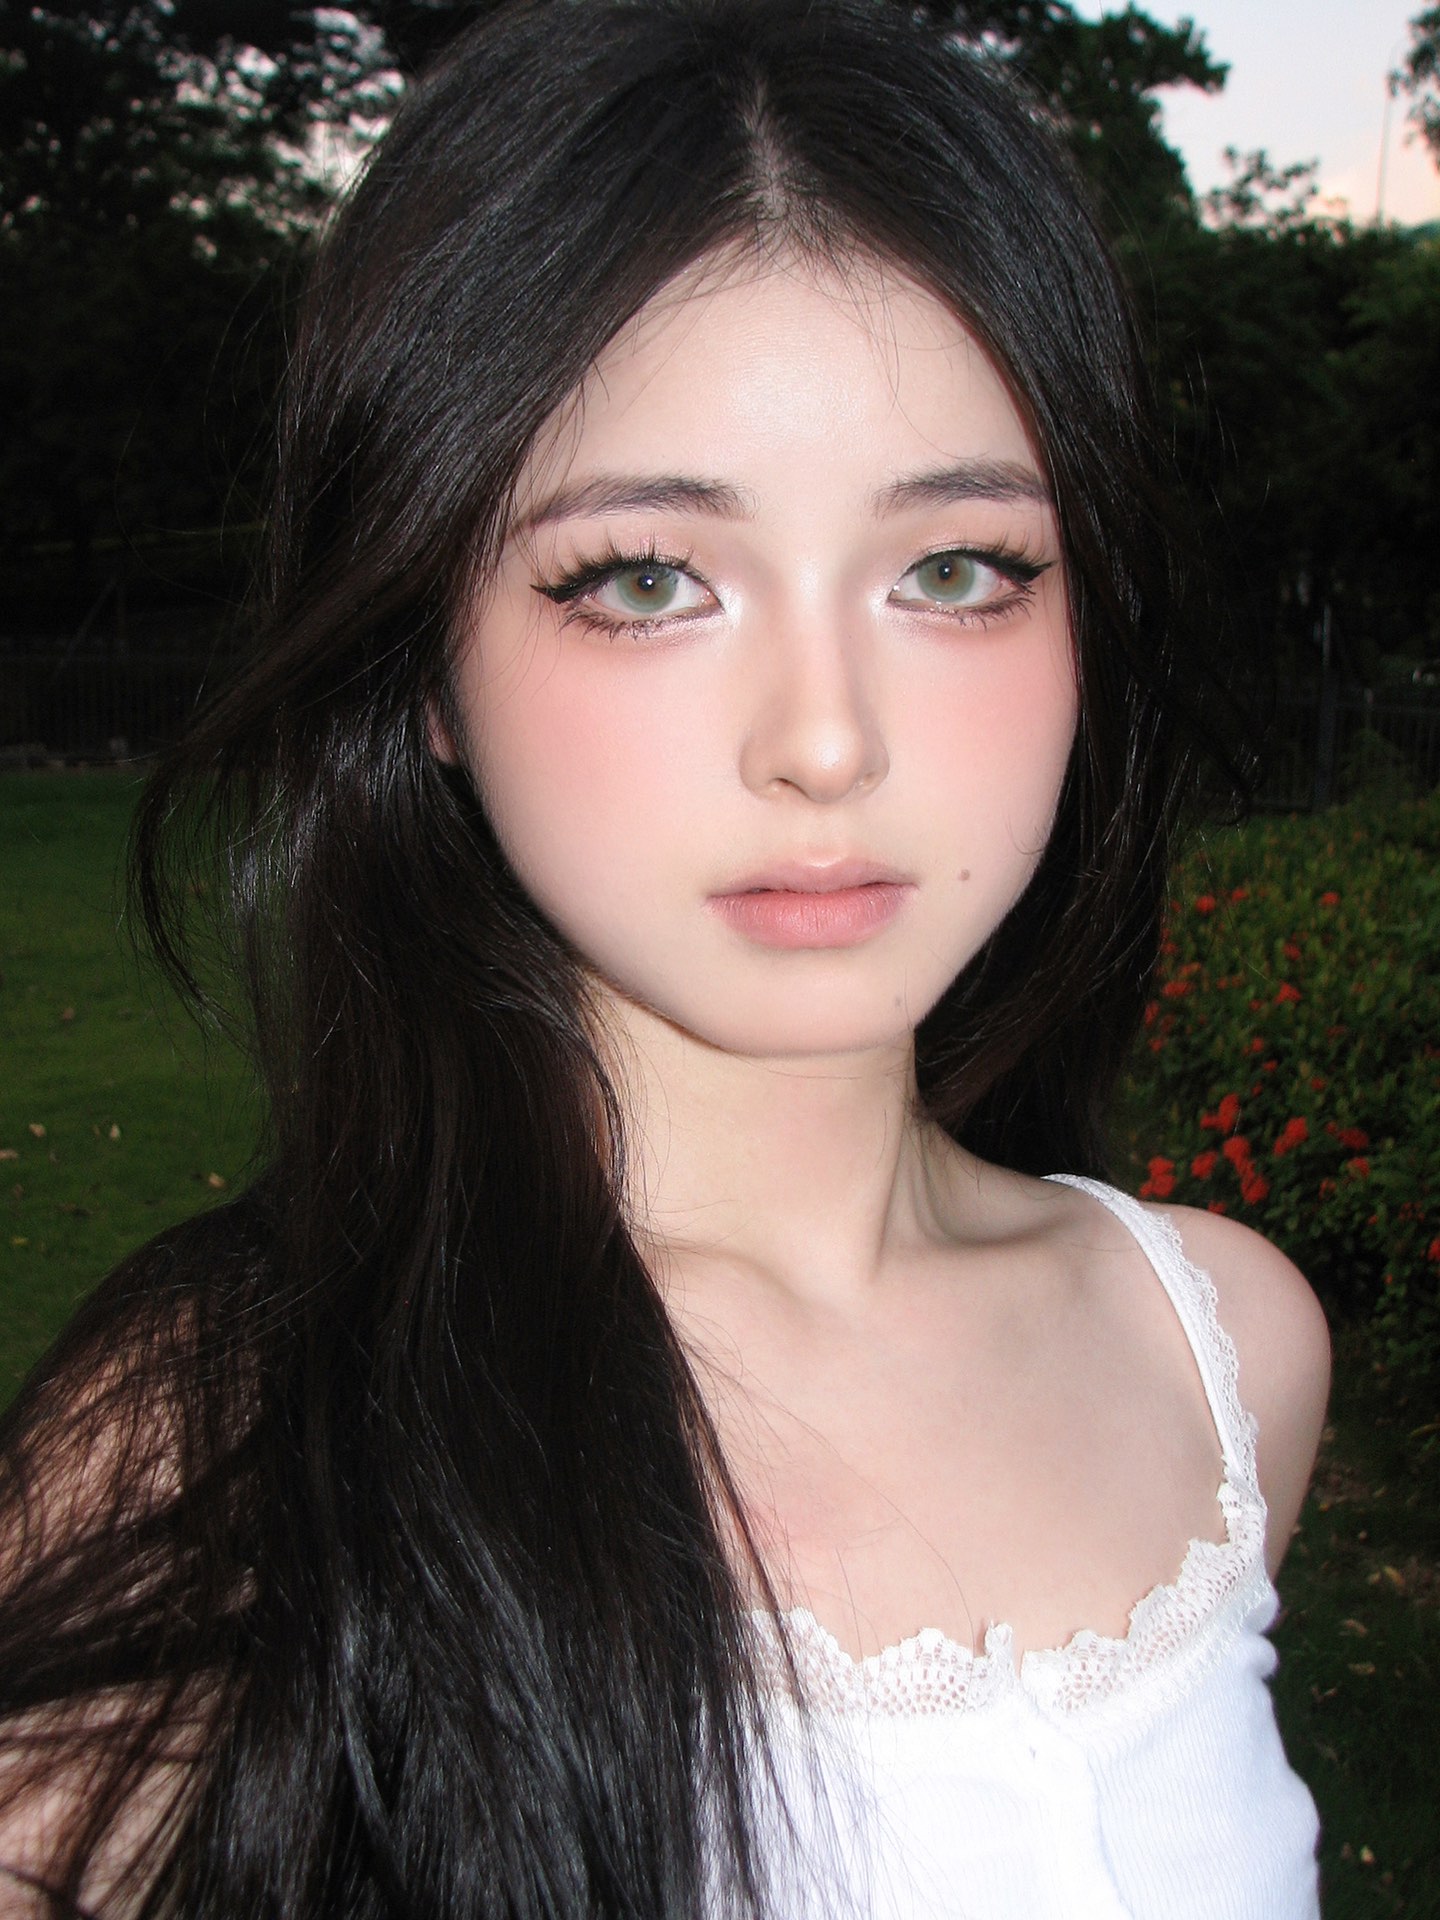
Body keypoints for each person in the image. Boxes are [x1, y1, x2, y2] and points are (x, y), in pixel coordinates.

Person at [0, 1, 1331, 1914]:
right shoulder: (220, 1448)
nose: (826, 740)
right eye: (646, 579)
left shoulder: (1222, 1358)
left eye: (955, 569)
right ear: (424, 663)